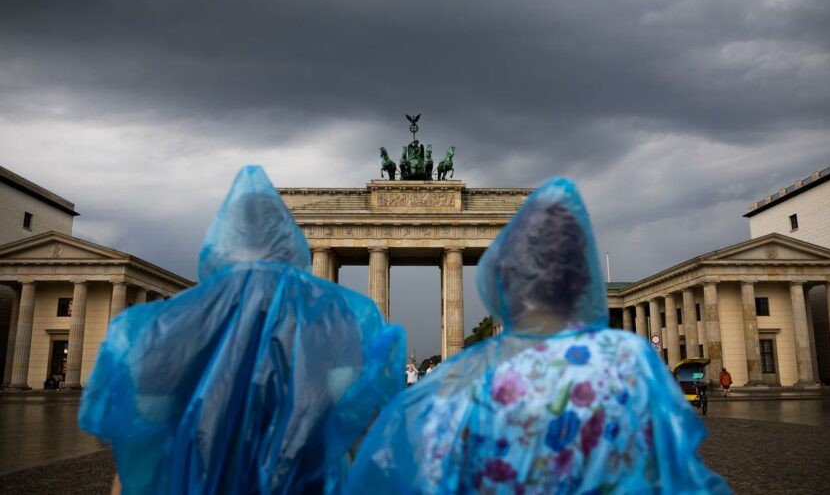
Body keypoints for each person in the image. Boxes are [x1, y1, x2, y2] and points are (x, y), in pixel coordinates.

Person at [346, 178, 729, 494]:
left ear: (501, 280)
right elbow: (680, 473)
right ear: (578, 280)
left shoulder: (455, 383)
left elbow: (396, 475)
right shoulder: (630, 363)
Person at [78, 166, 405, 494]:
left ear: (223, 239)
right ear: (291, 241)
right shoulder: (339, 321)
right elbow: (364, 428)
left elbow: (136, 441)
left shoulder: (153, 328)